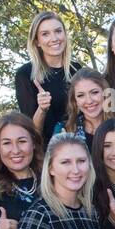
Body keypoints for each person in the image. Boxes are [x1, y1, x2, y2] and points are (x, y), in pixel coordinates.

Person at [14, 10, 81, 143]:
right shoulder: (26, 74)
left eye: (58, 31)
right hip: (45, 153)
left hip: (78, 147)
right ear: (37, 41)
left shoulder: (77, 70)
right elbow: (31, 132)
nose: (54, 38)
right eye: (45, 34)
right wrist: (42, 109)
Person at [51, 68, 113, 150]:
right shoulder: (63, 130)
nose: (89, 101)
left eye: (94, 92)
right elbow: (51, 161)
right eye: (81, 95)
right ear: (75, 101)